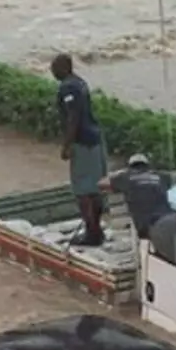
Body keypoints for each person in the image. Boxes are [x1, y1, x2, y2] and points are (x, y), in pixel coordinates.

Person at [51, 53, 109, 247]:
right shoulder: (80, 82)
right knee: (96, 186)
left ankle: (92, 234)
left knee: (83, 190)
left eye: (54, 68)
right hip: (95, 137)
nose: (52, 72)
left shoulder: (68, 87)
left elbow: (73, 117)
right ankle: (97, 230)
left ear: (64, 68)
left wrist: (67, 144)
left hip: (83, 142)